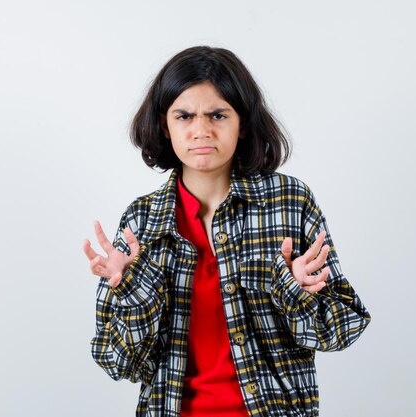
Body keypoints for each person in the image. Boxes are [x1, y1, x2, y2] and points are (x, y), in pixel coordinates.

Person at [83, 46, 371, 417]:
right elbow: (118, 364)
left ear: (243, 123)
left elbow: (340, 330)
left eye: (218, 115)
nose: (201, 130)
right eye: (184, 116)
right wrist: (133, 289)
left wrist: (294, 289)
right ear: (164, 125)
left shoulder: (288, 201)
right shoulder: (142, 221)